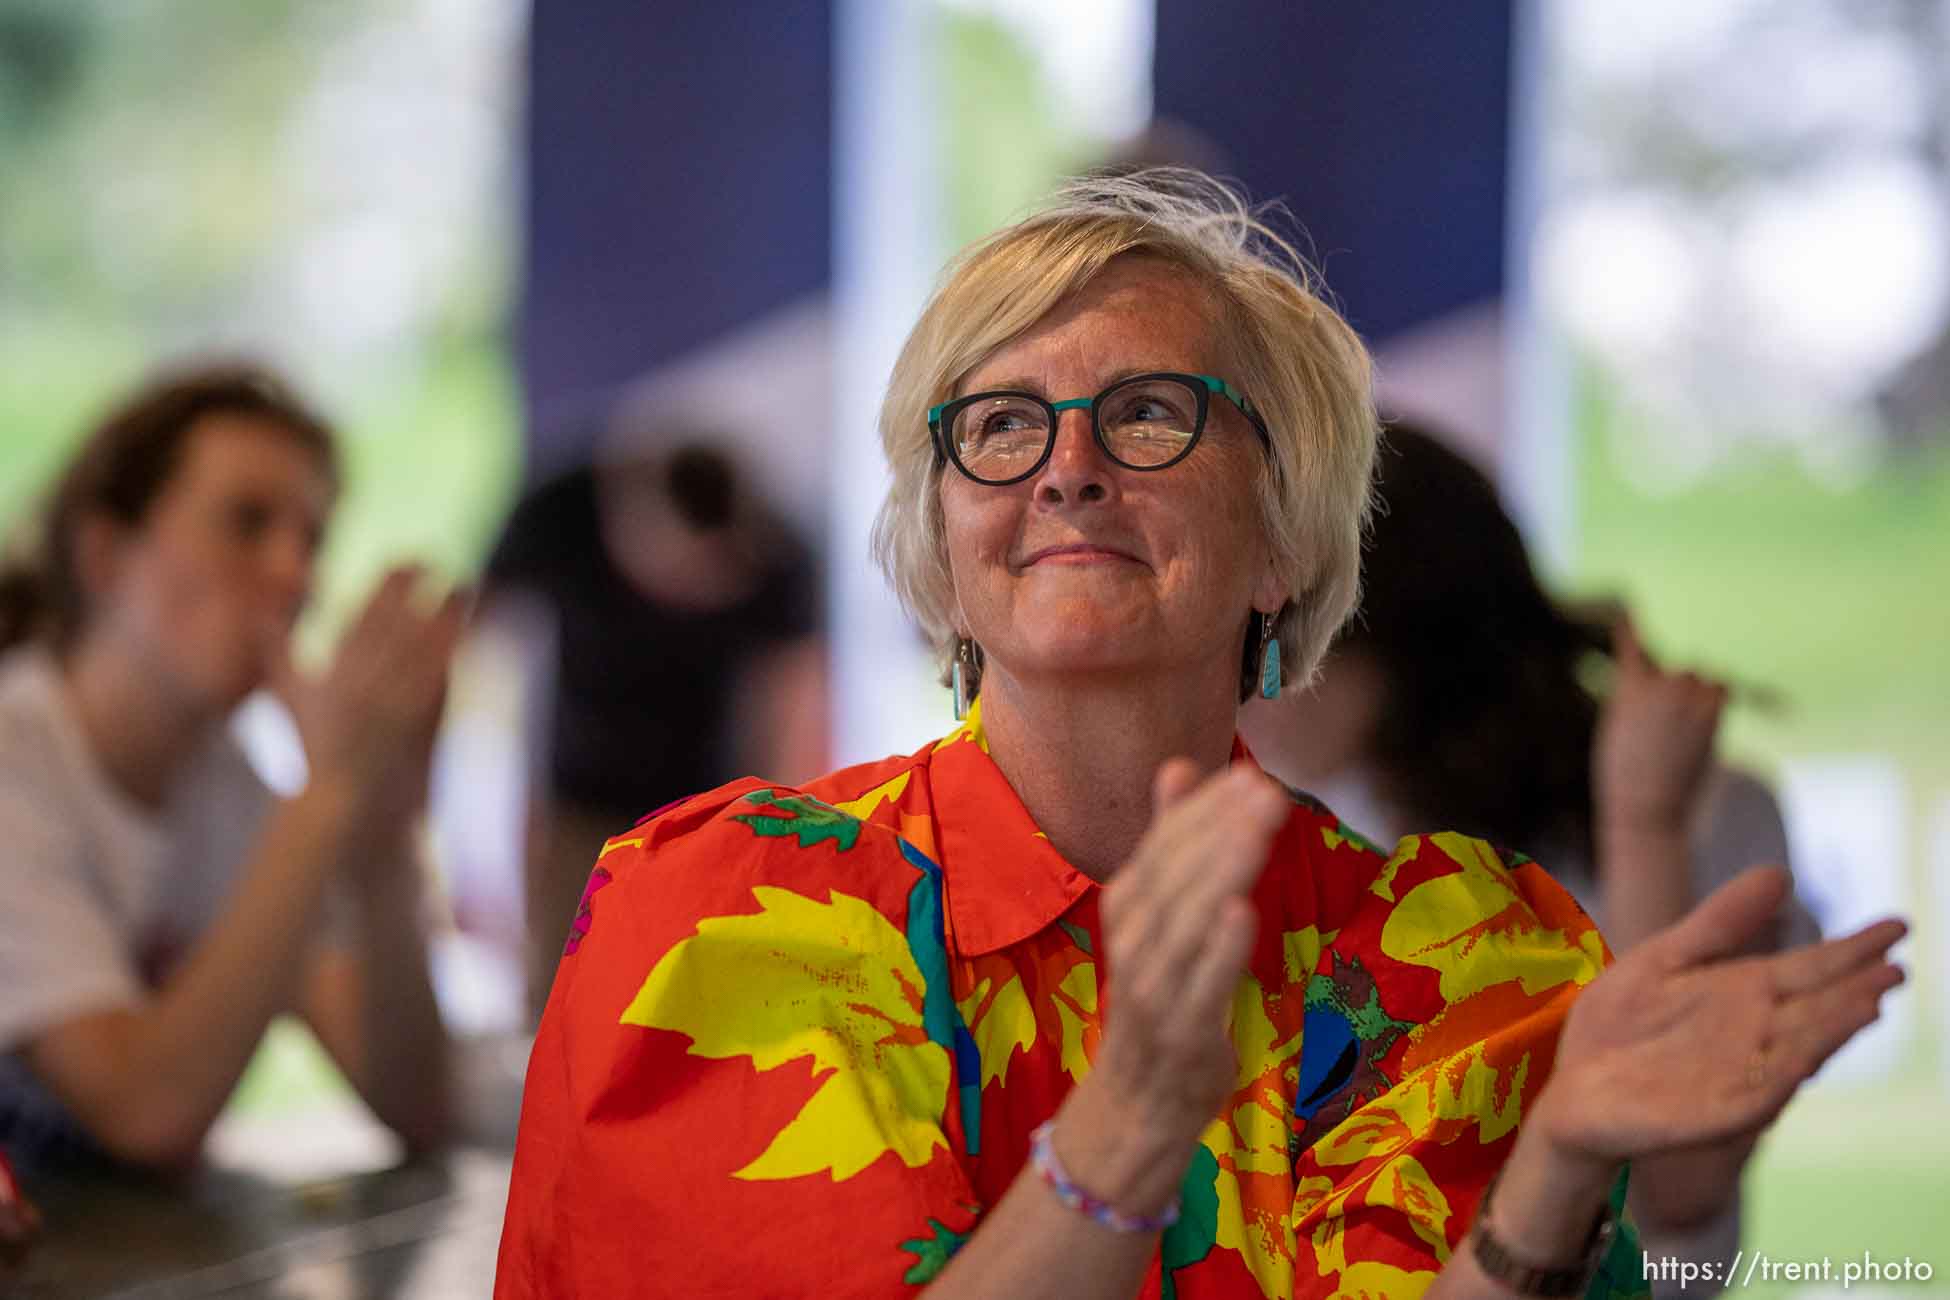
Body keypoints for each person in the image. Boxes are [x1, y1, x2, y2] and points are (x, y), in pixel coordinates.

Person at [494, 171, 1904, 1299]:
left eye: (1149, 413)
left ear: (1281, 538)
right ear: (940, 540)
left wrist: (1553, 1176)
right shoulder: (725, 909)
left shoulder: (1468, 954)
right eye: (998, 424)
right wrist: (1124, 1132)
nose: (1067, 470)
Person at [1240, 423, 1821, 1293]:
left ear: (1400, 636)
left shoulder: (1700, 803)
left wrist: (1644, 825)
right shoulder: (1280, 825)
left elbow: (1675, 1187)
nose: (1245, 685)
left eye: (1277, 637)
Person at [0, 364, 457, 1180]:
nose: (297, 576)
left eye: (312, 540)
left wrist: (385, 842)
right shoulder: (16, 758)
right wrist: (330, 793)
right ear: (105, 555)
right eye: (247, 523)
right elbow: (143, 1113)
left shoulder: (232, 788)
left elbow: (416, 1104)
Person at [478, 436, 826, 1015]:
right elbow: (474, 649)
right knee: (566, 1008)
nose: (690, 593)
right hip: (576, 818)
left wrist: (783, 855)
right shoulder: (557, 515)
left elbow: (795, 716)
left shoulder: (775, 551)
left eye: (710, 578)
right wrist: (473, 843)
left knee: (706, 1011)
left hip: (710, 822)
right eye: (675, 573)